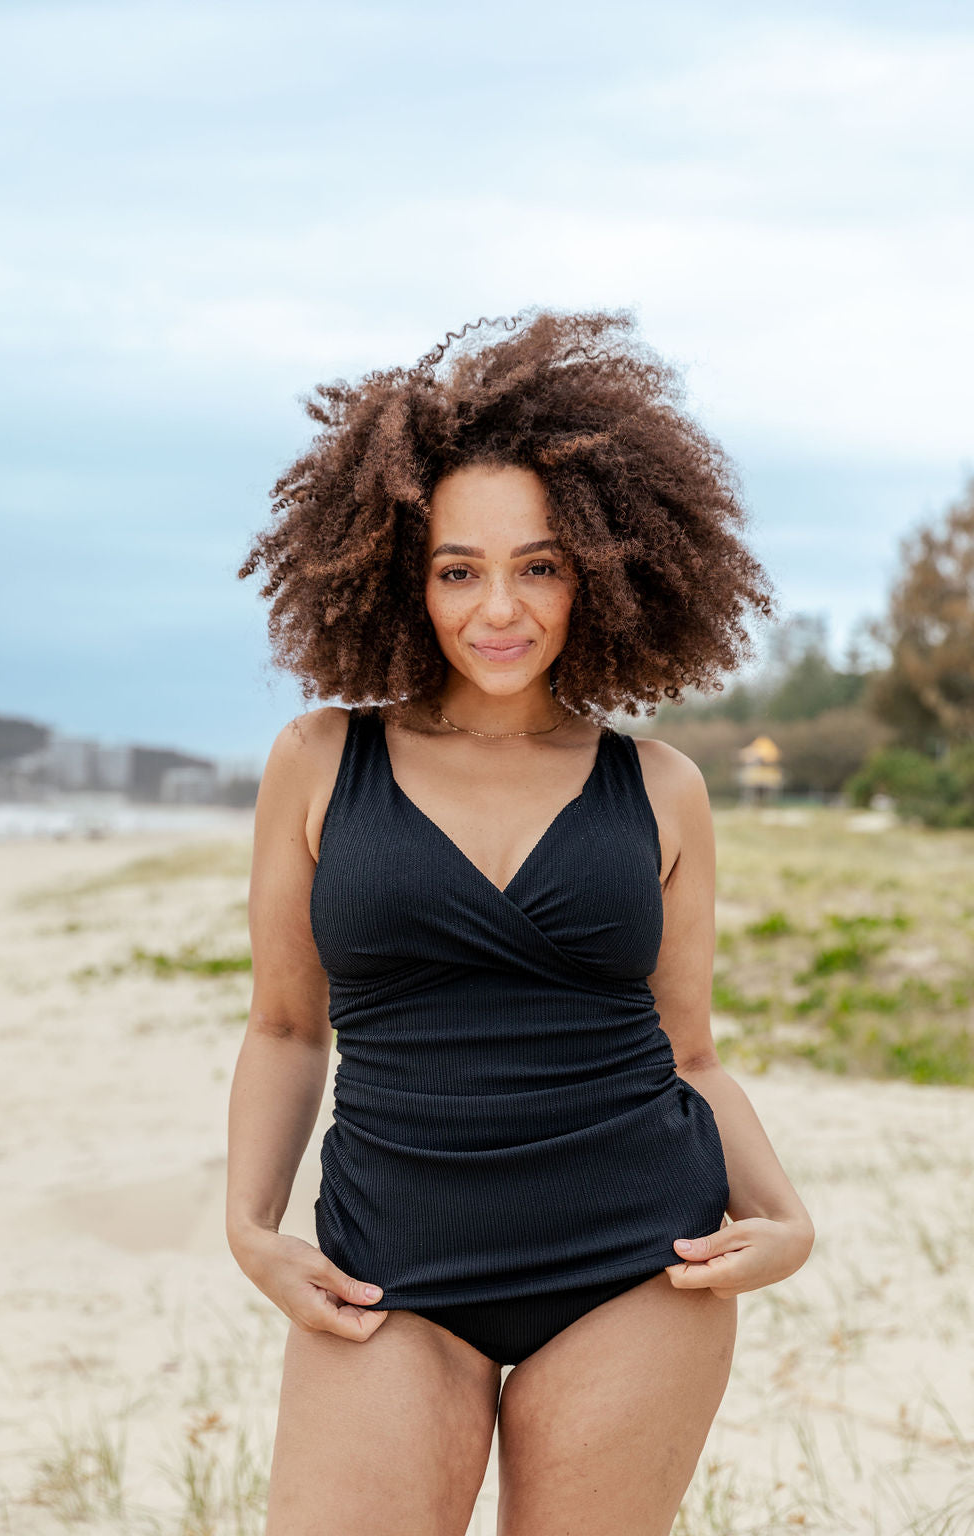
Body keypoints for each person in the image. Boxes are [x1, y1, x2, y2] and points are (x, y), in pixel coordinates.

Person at [228, 309, 815, 1536]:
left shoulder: (662, 789)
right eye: (459, 569)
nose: (499, 608)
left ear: (601, 568)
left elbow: (689, 1053)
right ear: (403, 572)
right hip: (386, 1273)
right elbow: (287, 1029)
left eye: (538, 565)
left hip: (636, 1265)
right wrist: (250, 1229)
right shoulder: (320, 760)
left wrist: (785, 1218)